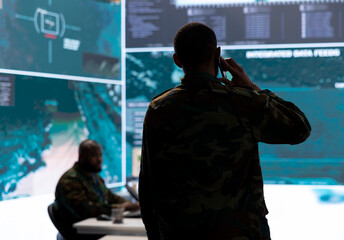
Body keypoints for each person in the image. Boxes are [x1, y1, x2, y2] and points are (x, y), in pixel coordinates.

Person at [139, 22, 311, 240]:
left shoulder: (158, 109)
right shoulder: (242, 101)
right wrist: (252, 88)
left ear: (177, 59)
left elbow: (147, 187)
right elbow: (300, 128)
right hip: (240, 233)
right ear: (218, 54)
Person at [53, 139, 139, 240]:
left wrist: (131, 205)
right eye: (94, 155)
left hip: (99, 228)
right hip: (82, 234)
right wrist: (122, 207)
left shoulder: (94, 176)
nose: (99, 159)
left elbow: (110, 197)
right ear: (81, 156)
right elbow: (87, 210)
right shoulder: (70, 180)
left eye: (100, 155)